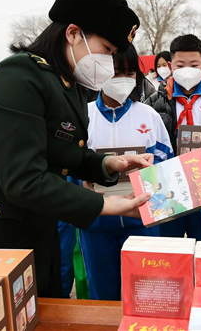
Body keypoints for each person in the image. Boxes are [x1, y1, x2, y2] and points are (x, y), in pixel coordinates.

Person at [0, 0, 154, 298]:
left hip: (31, 229)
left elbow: (63, 153)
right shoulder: (17, 77)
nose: (109, 62)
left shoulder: (67, 85)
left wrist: (110, 164)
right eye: (106, 49)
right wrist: (102, 204)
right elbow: (23, 179)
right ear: (73, 33)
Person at [74, 43, 173, 301]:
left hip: (141, 223)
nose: (123, 80)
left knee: (145, 296)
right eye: (115, 72)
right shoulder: (83, 116)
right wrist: (81, 183)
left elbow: (166, 166)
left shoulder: (150, 116)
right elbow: (69, 167)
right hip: (96, 222)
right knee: (103, 296)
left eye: (129, 73)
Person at [145, 34, 201, 239]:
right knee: (169, 254)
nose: (187, 70)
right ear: (170, 65)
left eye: (194, 64)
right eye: (180, 64)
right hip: (168, 187)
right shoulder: (153, 103)